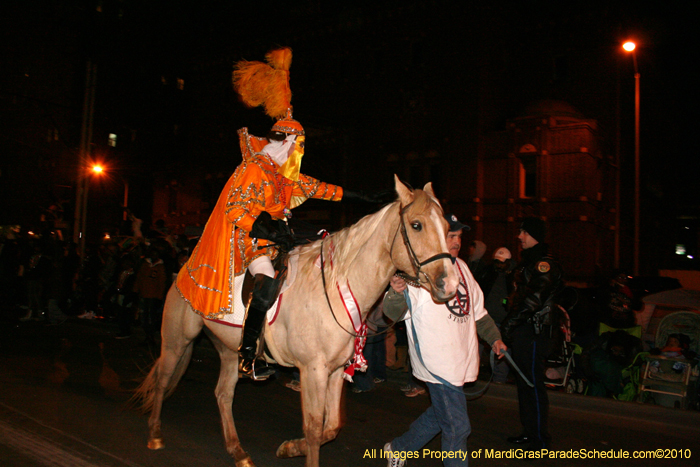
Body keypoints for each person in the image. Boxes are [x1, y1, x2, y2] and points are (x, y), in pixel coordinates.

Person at [175, 48, 377, 380]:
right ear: (284, 143)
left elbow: (324, 189)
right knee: (267, 280)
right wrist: (266, 229)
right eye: (297, 145)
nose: (299, 152)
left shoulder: (286, 177)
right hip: (254, 241)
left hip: (284, 238)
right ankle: (247, 353)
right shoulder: (256, 170)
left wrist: (369, 196)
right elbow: (234, 208)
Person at [382, 213, 507, 467]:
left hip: (459, 361)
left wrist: (494, 339)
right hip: (436, 363)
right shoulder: (419, 270)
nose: (457, 241)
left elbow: (478, 312)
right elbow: (394, 313)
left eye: (460, 236)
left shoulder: (462, 267)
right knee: (457, 426)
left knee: (442, 417)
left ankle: (398, 448)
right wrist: (395, 294)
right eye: (451, 235)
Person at [501, 217, 563, 451]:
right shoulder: (530, 263)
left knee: (532, 384)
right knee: (524, 383)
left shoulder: (544, 264)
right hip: (525, 329)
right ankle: (530, 432)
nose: (520, 236)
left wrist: (510, 323)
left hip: (534, 330)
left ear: (535, 235)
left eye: (524, 232)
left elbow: (533, 300)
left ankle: (539, 440)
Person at [476, 247, 513, 383]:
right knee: (476, 348)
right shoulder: (486, 273)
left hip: (503, 320)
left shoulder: (513, 276)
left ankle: (499, 380)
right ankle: (472, 375)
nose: (499, 265)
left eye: (502, 262)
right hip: (485, 318)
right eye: (497, 262)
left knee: (501, 350)